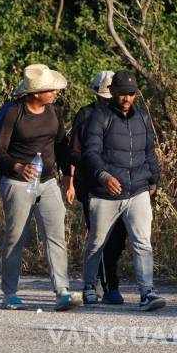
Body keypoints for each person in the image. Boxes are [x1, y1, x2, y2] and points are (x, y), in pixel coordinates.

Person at [0, 64, 83, 311]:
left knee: (55, 236)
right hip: (17, 183)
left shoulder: (54, 112)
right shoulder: (14, 113)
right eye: (50, 89)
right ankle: (9, 294)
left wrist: (68, 177)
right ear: (35, 93)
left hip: (48, 182)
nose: (55, 92)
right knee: (15, 238)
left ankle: (62, 291)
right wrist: (18, 166)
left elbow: (62, 147)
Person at [82, 70, 166, 312]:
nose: (127, 98)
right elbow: (90, 152)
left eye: (131, 93)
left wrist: (154, 182)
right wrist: (103, 175)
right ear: (112, 92)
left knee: (143, 242)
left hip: (137, 189)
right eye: (122, 93)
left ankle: (146, 292)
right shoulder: (99, 117)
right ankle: (89, 285)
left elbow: (149, 152)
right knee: (97, 243)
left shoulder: (143, 118)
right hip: (106, 192)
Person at [68, 71, 128, 305]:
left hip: (123, 185)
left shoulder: (128, 115)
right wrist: (94, 165)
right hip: (92, 185)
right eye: (103, 98)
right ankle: (105, 285)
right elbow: (73, 151)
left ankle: (106, 282)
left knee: (119, 238)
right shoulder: (85, 115)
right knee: (99, 237)